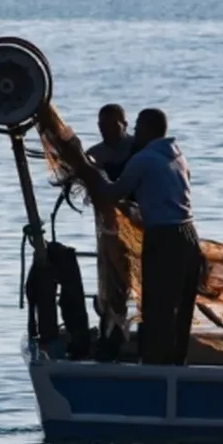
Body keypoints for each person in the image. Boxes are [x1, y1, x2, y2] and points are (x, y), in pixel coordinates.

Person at [75, 108, 208, 365]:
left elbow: (112, 194)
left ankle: (155, 368)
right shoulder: (179, 157)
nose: (135, 132)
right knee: (181, 310)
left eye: (138, 126)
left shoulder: (143, 159)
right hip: (191, 237)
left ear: (149, 129)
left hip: (164, 237)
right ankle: (177, 366)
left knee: (156, 308)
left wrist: (88, 172)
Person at [84, 104, 136, 360]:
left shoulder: (138, 150)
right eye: (101, 125)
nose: (105, 130)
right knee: (112, 284)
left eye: (111, 124)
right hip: (108, 231)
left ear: (124, 124)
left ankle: (138, 335)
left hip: (139, 227)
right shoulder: (95, 154)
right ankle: (112, 334)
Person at [86, 104, 135, 181]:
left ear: (125, 125)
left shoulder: (138, 145)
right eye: (104, 125)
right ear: (99, 126)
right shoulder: (94, 154)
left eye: (114, 125)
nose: (109, 129)